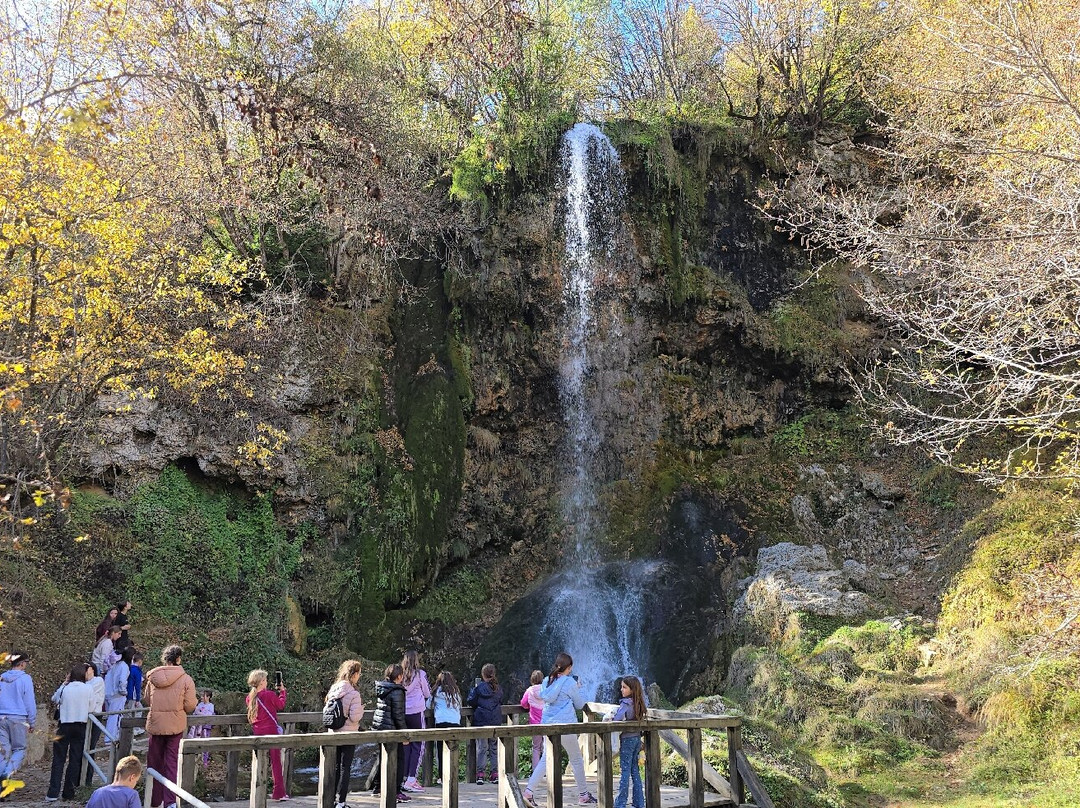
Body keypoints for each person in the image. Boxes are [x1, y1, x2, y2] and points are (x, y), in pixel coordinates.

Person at [522, 652, 596, 808]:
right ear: (568, 668)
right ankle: (583, 795)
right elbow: (579, 704)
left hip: (548, 725)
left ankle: (528, 792)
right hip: (565, 725)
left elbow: (546, 698)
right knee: (576, 759)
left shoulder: (547, 681)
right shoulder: (569, 682)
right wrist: (579, 688)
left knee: (545, 760)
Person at [145, 644, 197, 808]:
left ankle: (153, 800)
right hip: (175, 725)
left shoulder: (153, 678)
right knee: (172, 763)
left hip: (156, 724)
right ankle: (170, 802)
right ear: (178, 659)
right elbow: (190, 706)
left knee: (154, 762)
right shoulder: (186, 679)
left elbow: (147, 700)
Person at [46, 663, 95, 802]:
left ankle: (52, 792)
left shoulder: (65, 688)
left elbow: (55, 699)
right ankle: (69, 792)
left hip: (64, 724)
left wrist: (64, 683)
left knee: (58, 759)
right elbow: (91, 707)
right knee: (75, 759)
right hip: (80, 725)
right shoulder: (88, 688)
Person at [366, 664, 410, 802]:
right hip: (392, 729)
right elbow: (398, 715)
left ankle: (378, 788)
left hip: (380, 727)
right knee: (399, 759)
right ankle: (396, 790)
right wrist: (404, 734)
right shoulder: (397, 691)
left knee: (382, 757)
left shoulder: (383, 688)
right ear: (399, 676)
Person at [325, 660, 364, 808]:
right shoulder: (353, 694)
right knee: (345, 767)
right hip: (348, 733)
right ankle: (341, 802)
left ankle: (331, 799)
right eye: (359, 673)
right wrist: (361, 709)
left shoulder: (333, 689)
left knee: (335, 767)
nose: (359, 676)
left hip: (333, 732)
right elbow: (354, 717)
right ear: (354, 674)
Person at [247, 669, 289, 801]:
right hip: (271, 731)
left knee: (260, 761)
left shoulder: (250, 698)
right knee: (276, 762)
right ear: (261, 682)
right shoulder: (270, 695)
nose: (266, 682)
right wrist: (282, 692)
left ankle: (258, 793)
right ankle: (279, 793)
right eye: (265, 680)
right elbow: (281, 705)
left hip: (258, 732)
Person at [606, 677, 647, 808]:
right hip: (636, 740)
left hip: (627, 740)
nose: (621, 689)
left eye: (624, 687)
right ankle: (639, 802)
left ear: (632, 689)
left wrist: (610, 717)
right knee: (635, 770)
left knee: (625, 771)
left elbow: (618, 719)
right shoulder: (639, 703)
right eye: (621, 687)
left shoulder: (626, 703)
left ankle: (620, 803)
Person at [0, 651, 36, 795]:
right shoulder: (25, 679)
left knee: (3, 751)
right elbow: (29, 703)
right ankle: (6, 775)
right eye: (26, 663)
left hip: (1, 717)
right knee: (19, 749)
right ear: (22, 663)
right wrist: (32, 722)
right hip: (18, 718)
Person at [467, 663, 503, 785]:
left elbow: (471, 701)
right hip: (495, 721)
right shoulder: (498, 689)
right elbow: (500, 700)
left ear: (483, 675)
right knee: (493, 748)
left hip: (481, 721)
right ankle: (495, 774)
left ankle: (480, 774)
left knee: (482, 748)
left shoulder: (478, 688)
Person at [400, 650, 430, 793]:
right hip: (416, 711)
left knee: (406, 744)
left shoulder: (400, 675)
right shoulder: (420, 674)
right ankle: (411, 779)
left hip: (403, 712)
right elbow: (427, 692)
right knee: (418, 744)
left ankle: (404, 776)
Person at [429, 671, 461, 784]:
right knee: (453, 749)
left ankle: (442, 777)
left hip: (441, 721)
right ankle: (453, 776)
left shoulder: (436, 692)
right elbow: (459, 706)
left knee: (441, 751)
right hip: (455, 722)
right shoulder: (455, 692)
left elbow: (428, 705)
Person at [84, 661, 107, 785]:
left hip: (94, 717)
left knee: (90, 747)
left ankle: (87, 778)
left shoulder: (98, 681)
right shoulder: (82, 683)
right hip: (83, 718)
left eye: (86, 668)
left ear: (92, 669)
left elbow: (87, 694)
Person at [104, 647, 132, 741]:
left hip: (108, 693)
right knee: (115, 717)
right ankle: (110, 738)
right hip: (117, 695)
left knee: (110, 716)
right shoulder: (124, 666)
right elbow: (122, 681)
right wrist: (124, 692)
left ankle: (110, 737)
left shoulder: (115, 664)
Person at [520, 670, 544, 769]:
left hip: (535, 723)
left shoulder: (529, 691)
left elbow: (523, 703)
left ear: (532, 680)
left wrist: (530, 706)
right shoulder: (546, 690)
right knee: (547, 748)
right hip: (547, 722)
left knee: (536, 748)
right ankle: (547, 771)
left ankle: (536, 771)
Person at [188, 690, 215, 767]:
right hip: (197, 727)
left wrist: (200, 713)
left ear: (208, 697)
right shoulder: (199, 704)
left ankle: (205, 760)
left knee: (205, 742)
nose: (202, 697)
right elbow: (195, 713)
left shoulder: (211, 706)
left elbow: (209, 715)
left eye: (204, 696)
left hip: (206, 727)